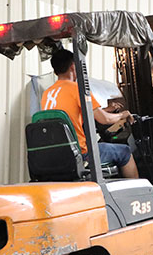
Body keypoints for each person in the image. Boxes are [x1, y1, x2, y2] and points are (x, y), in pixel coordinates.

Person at [41, 49, 138, 179]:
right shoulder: (77, 89)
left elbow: (71, 114)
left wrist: (106, 109)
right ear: (73, 66)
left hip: (56, 154)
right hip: (81, 153)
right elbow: (105, 120)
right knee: (125, 152)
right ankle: (135, 197)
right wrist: (123, 115)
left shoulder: (47, 94)